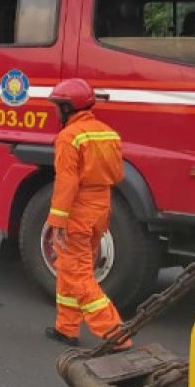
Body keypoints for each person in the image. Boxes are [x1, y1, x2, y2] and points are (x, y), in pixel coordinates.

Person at [43, 78, 130, 348]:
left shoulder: (69, 137)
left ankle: (115, 334)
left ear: (68, 107)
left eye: (57, 106)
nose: (55, 111)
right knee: (70, 269)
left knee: (79, 275)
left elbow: (67, 182)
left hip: (77, 212)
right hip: (100, 209)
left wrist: (57, 218)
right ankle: (66, 328)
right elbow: (118, 174)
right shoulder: (108, 133)